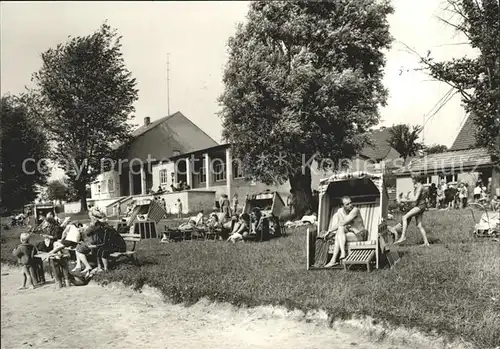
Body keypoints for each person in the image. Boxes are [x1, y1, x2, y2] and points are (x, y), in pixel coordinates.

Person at [323, 196, 368, 268]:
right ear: (342, 206)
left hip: (359, 235)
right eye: (347, 204)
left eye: (351, 202)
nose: (350, 205)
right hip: (349, 234)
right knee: (340, 230)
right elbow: (342, 225)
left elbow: (343, 222)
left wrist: (329, 231)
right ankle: (341, 254)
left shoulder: (355, 210)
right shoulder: (340, 211)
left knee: (338, 235)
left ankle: (333, 260)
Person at [394, 175, 430, 247]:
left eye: (413, 179)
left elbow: (415, 199)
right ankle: (426, 243)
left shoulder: (420, 187)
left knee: (404, 217)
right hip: (421, 206)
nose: (412, 180)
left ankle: (403, 236)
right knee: (419, 225)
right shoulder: (418, 187)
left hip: (420, 206)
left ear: (416, 179)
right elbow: (415, 199)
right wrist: (406, 198)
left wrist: (403, 200)